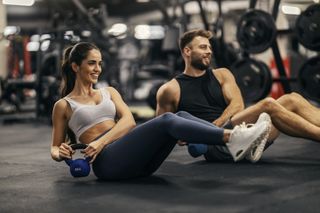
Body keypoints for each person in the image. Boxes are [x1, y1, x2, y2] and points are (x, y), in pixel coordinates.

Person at [50, 42, 272, 181]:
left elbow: (128, 122)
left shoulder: (109, 92)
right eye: (91, 63)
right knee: (167, 120)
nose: (98, 68)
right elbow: (54, 148)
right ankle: (234, 138)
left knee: (181, 116)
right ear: (75, 67)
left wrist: (101, 142)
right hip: (108, 164)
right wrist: (61, 153)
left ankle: (235, 140)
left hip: (138, 161)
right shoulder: (64, 105)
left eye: (99, 63)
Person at [156, 29, 320, 163]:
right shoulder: (170, 89)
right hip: (217, 146)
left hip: (240, 131)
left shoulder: (222, 75)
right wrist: (184, 135)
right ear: (187, 51)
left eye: (209, 48)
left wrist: (216, 125)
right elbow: (162, 129)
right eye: (203, 47)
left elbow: (237, 105)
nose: (209, 52)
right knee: (268, 104)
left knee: (292, 98)